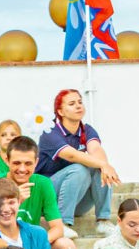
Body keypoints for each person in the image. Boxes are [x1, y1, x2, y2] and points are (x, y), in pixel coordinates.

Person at [37, 89, 118, 236]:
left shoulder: (87, 130)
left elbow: (95, 149)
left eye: (80, 102)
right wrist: (103, 164)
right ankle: (62, 224)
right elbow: (71, 155)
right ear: (60, 111)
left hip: (76, 202)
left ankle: (103, 221)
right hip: (46, 199)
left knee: (98, 167)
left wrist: (105, 165)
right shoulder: (49, 132)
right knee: (80, 168)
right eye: (72, 103)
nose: (78, 106)